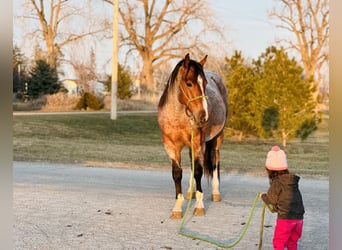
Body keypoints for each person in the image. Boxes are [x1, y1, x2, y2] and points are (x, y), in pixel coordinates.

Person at [260, 146, 305, 250]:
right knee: (292, 242)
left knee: (279, 242)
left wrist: (263, 197)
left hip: (285, 219)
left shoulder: (277, 183)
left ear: (270, 170)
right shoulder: (292, 182)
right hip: (299, 218)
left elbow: (271, 201)